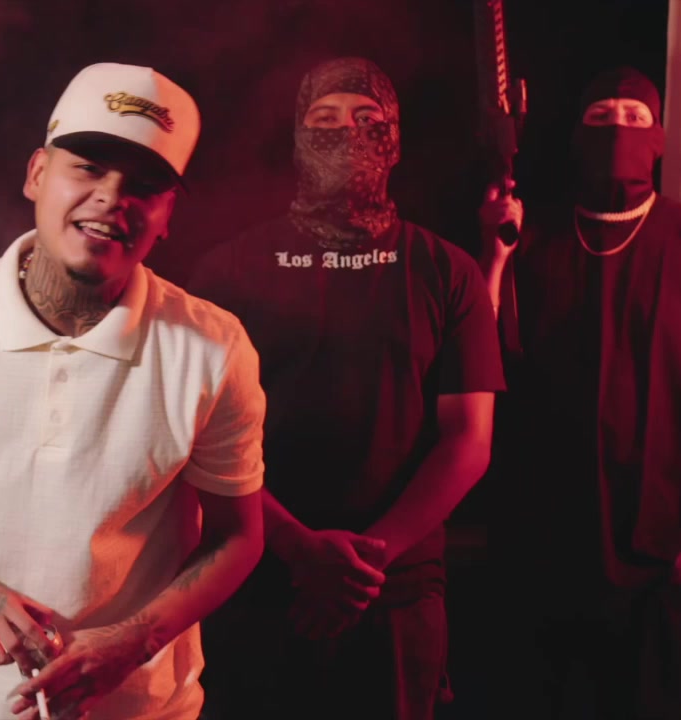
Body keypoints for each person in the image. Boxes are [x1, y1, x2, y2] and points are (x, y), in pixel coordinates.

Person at [0, 62, 266, 720]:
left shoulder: (213, 348)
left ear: (167, 215)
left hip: (149, 711)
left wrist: (134, 642)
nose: (111, 198)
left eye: (144, 186)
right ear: (37, 174)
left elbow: (238, 537)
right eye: (88, 168)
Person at [187, 57, 504, 719]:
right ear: (298, 139)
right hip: (256, 581)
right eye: (324, 119)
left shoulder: (447, 272)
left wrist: (367, 561)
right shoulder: (227, 269)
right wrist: (298, 548)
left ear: (395, 140)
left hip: (396, 592)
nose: (347, 133)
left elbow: (469, 441)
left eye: (367, 119)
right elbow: (192, 433)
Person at [479, 67, 681, 720]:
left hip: (657, 566)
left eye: (634, 117)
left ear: (658, 138)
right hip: (542, 559)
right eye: (601, 117)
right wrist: (494, 256)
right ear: (576, 135)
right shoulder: (532, 238)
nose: (617, 129)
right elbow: (481, 365)